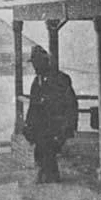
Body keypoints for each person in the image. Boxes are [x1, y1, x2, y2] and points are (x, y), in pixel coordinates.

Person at [22, 45, 78, 183]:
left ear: (45, 62)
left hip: (56, 126)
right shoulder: (36, 82)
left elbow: (71, 104)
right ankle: (46, 177)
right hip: (40, 127)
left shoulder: (61, 79)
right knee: (41, 153)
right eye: (33, 63)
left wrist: (69, 126)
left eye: (37, 62)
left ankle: (50, 179)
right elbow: (33, 106)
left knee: (48, 151)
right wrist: (28, 125)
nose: (34, 66)